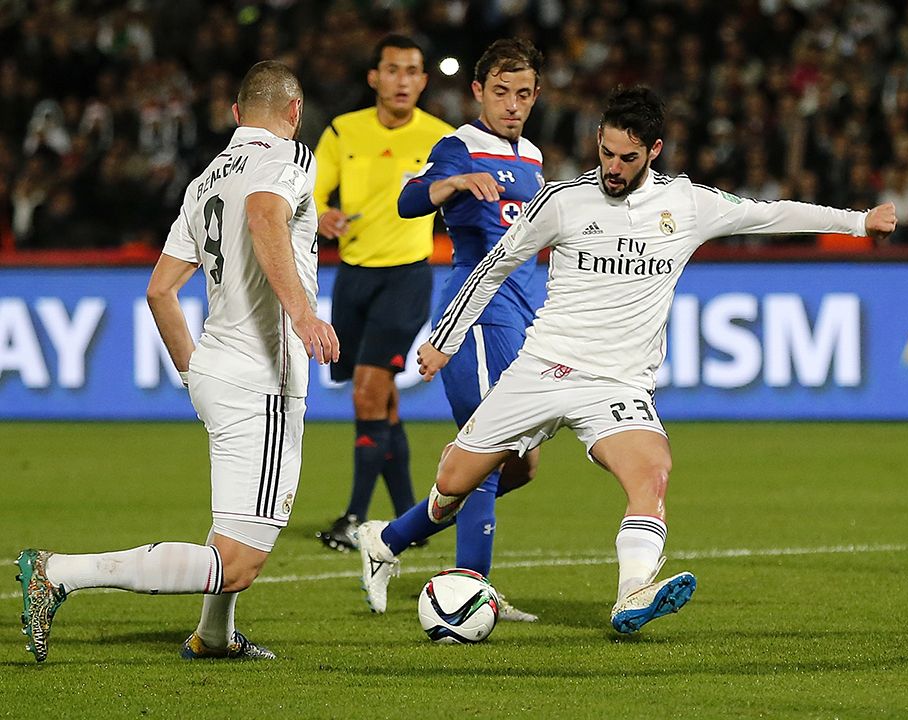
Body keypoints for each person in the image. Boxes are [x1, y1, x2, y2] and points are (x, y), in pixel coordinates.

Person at [405, 86, 896, 633]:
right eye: (607, 153)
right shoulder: (563, 200)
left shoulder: (686, 204)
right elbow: (495, 265)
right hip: (541, 367)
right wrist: (445, 340)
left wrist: (857, 222)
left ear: (654, 150)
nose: (613, 168)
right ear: (598, 140)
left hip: (615, 384)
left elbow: (770, 213)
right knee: (452, 483)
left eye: (628, 158)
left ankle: (632, 594)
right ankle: (391, 539)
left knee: (652, 473)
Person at [15, 61, 338, 663]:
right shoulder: (291, 159)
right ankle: (57, 572)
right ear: (294, 113)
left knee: (232, 524)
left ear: (237, 114)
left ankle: (214, 637)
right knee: (239, 563)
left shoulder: (204, 181)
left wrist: (192, 374)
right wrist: (302, 315)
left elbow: (160, 290)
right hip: (262, 379)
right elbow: (265, 215)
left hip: (216, 369)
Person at [354, 39, 545, 622]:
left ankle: (388, 539)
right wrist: (455, 185)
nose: (513, 105)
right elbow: (412, 199)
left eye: (524, 94)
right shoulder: (460, 146)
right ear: (478, 92)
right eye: (502, 92)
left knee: (522, 464)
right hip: (475, 315)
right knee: (486, 450)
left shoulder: (533, 156)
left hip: (523, 321)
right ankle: (470, 587)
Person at [313, 35, 453, 551]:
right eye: (392, 70)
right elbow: (310, 190)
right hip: (352, 277)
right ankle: (410, 519)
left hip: (407, 276)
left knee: (368, 392)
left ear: (423, 80)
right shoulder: (342, 131)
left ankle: (354, 518)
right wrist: (321, 213)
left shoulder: (443, 140)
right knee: (383, 403)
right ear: (374, 77)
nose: (402, 80)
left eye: (412, 71)